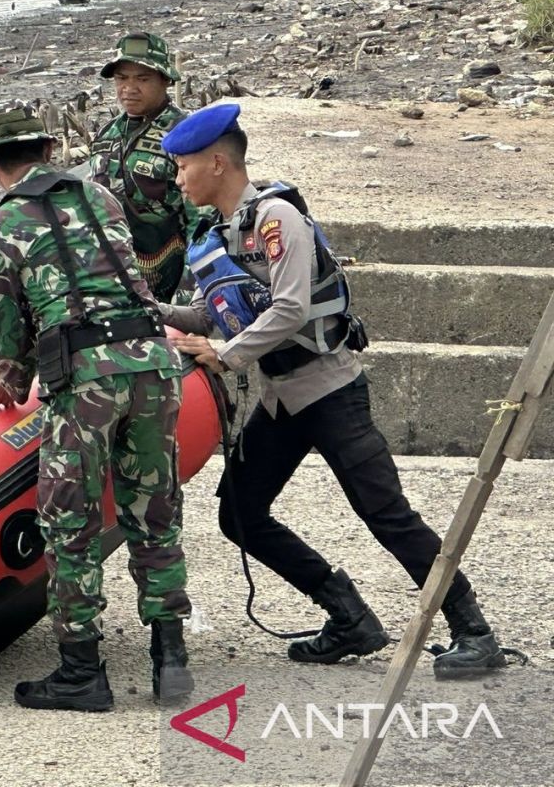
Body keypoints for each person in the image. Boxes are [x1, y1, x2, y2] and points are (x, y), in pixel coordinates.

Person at [157, 102, 506, 678]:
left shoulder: (276, 219)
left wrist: (225, 355)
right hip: (279, 397)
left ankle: (474, 630)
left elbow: (292, 308)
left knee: (385, 513)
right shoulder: (214, 234)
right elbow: (206, 311)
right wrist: (149, 312)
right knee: (239, 513)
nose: (177, 179)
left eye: (182, 167)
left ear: (216, 163)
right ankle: (347, 616)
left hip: (329, 390)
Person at [0, 98, 191, 710]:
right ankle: (171, 661)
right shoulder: (102, 198)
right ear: (48, 151)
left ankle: (80, 671)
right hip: (153, 363)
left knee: (69, 523)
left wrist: (9, 381)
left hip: (86, 379)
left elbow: (6, 326)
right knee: (155, 511)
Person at [88, 32, 204, 302]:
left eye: (142, 79)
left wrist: (186, 299)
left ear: (165, 80)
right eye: (121, 78)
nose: (129, 88)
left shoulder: (185, 135)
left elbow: (201, 223)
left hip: (168, 275)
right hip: (113, 277)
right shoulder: (106, 135)